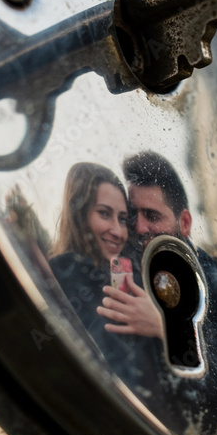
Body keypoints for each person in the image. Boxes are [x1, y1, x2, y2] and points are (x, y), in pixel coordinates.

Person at [99, 151, 217, 432]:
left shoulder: (211, 281)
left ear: (184, 223)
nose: (139, 227)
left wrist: (167, 329)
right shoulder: (125, 264)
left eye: (152, 216)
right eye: (133, 214)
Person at [47, 162, 165, 394]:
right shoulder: (59, 278)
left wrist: (159, 324)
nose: (118, 231)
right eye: (104, 213)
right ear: (78, 214)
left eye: (122, 219)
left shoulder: (131, 276)